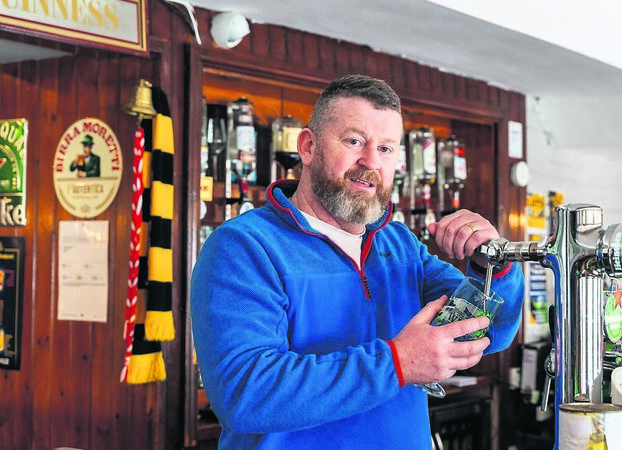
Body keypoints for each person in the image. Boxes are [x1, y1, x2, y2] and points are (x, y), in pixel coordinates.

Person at [191, 74, 524, 449]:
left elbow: (485, 331)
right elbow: (245, 394)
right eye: (354, 141)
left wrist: (492, 261)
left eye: (385, 148)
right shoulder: (244, 246)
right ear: (308, 147)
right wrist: (397, 363)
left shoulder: (399, 244)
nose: (371, 161)